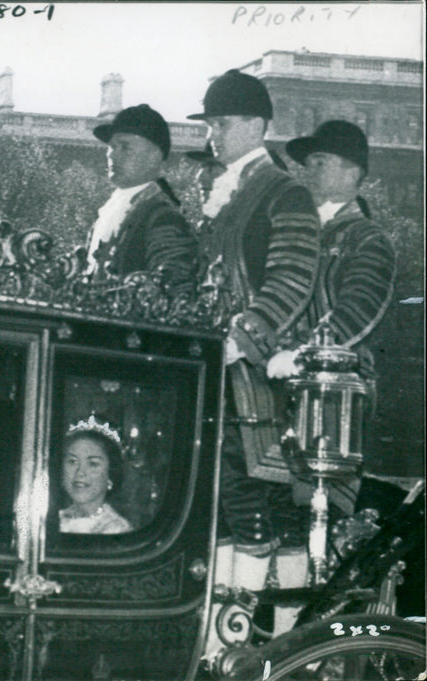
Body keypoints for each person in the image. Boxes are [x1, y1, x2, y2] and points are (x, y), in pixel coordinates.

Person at [187, 70, 321, 640]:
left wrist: (241, 339)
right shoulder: (227, 192)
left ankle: (246, 644)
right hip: (222, 369)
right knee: (235, 503)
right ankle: (243, 642)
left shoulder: (284, 190)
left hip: (260, 377)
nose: (213, 135)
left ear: (257, 126)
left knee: (258, 507)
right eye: (211, 124)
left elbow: (292, 279)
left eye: (222, 123)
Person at [268, 120, 396, 513]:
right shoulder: (302, 230)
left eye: (320, 161)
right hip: (283, 392)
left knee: (321, 511)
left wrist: (301, 356)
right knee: (273, 506)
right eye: (308, 163)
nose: (308, 170)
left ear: (352, 171)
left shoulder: (369, 238)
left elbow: (356, 311)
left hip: (335, 400)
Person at [85, 104, 198, 295]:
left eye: (125, 147)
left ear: (154, 157)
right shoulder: (110, 211)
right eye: (111, 147)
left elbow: (173, 289)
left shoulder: (163, 216)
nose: (112, 154)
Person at [58, 415, 133, 535]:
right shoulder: (50, 521)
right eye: (72, 461)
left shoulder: (116, 530)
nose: (80, 472)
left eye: (93, 464)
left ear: (111, 474)